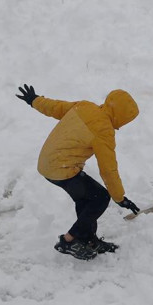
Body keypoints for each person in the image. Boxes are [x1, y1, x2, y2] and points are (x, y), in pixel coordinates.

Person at [15, 84, 141, 260]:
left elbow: (56, 108)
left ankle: (88, 240)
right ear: (122, 117)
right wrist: (119, 198)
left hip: (47, 163)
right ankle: (68, 240)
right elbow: (108, 170)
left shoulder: (85, 106)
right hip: (62, 168)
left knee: (86, 198)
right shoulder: (104, 131)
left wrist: (34, 100)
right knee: (101, 198)